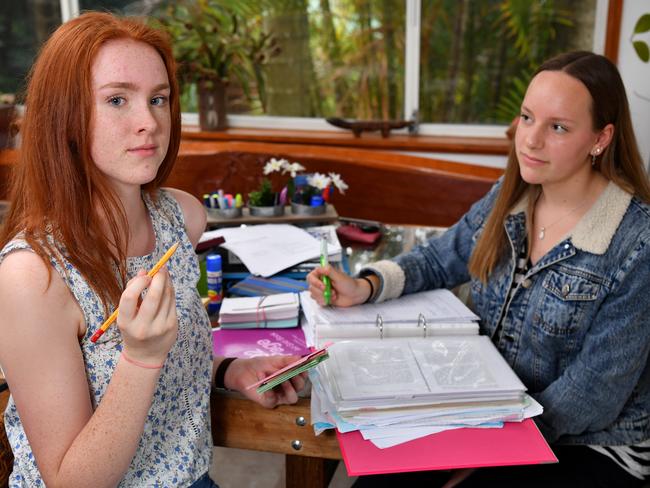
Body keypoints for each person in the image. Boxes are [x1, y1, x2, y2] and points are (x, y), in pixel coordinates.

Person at [308, 51, 650, 487]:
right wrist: (366, 286)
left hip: (591, 441)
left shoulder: (637, 242)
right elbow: (438, 259)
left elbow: (594, 394)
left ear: (600, 139)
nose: (530, 140)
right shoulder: (510, 197)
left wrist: (494, 449)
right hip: (490, 407)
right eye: (527, 118)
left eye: (558, 127)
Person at [0, 12, 305, 488]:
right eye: (118, 100)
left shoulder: (180, 218)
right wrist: (139, 357)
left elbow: (172, 362)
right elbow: (70, 482)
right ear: (66, 118)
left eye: (158, 99)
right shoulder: (32, 276)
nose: (149, 122)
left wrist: (228, 370)